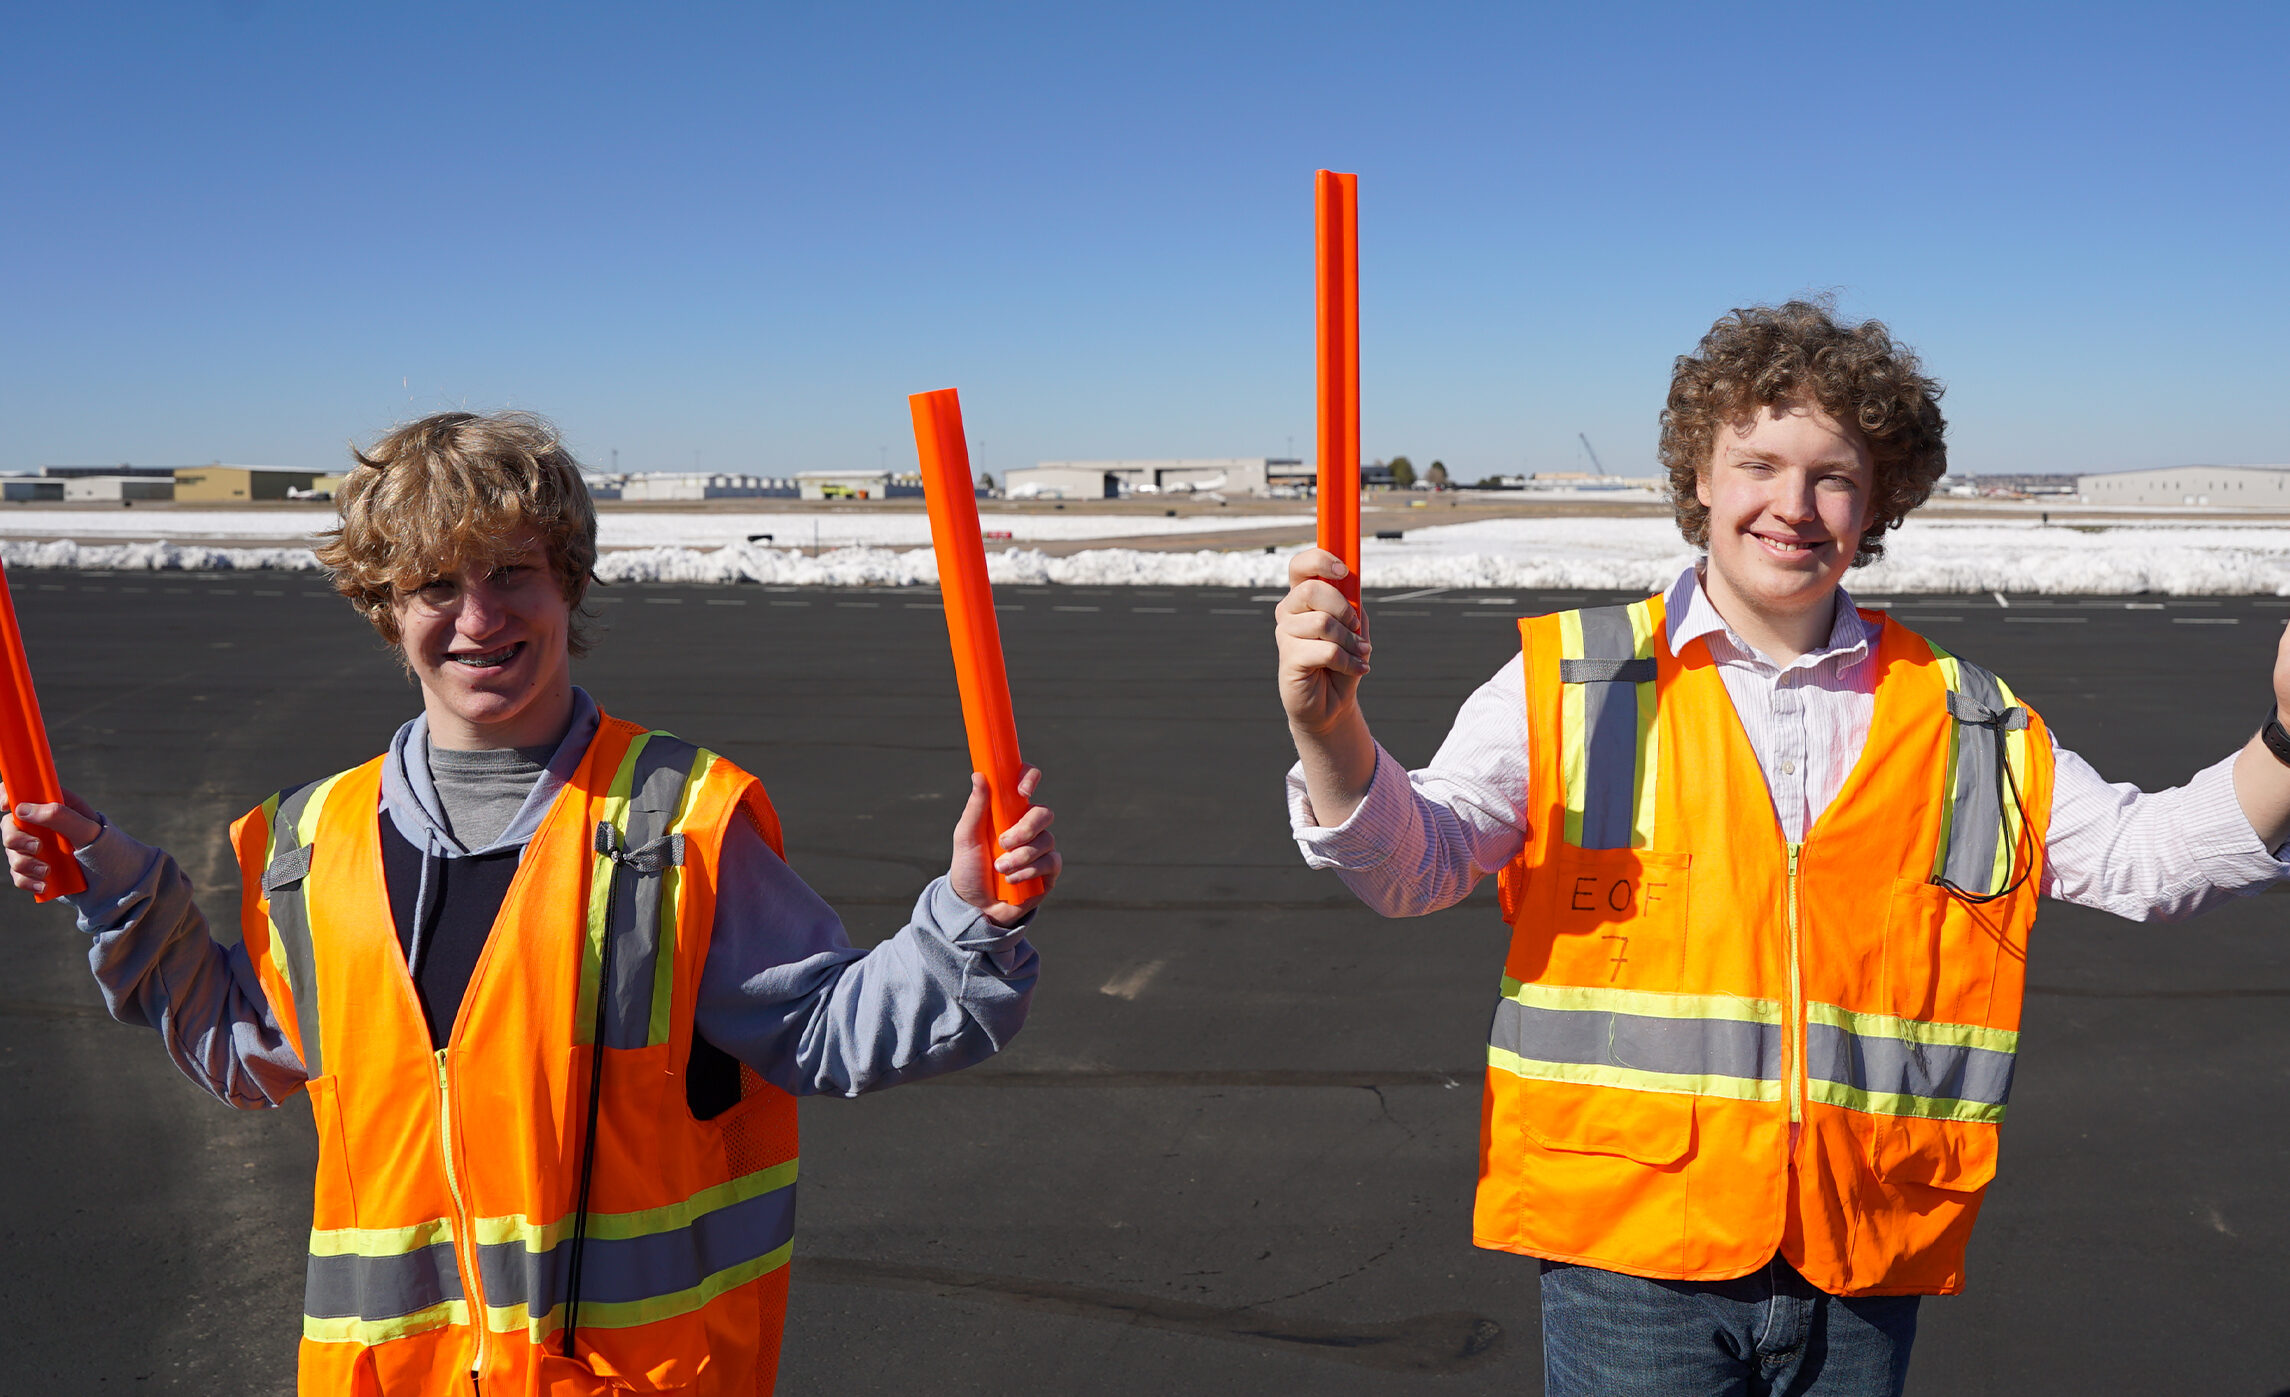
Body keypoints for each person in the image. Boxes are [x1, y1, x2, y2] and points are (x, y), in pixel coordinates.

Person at [1273, 300, 2290, 1396]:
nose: (1792, 507)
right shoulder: (1575, 679)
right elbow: (1410, 865)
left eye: (1834, 474)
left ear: (1879, 497)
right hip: (1630, 1257)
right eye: (1757, 461)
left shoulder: (1966, 717)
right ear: (1700, 476)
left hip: (1862, 1256)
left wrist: (2285, 737)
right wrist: (1330, 734)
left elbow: (2148, 862)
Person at [3, 410, 1060, 1396]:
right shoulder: (308, 844)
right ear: (385, 607)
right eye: (433, 584)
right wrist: (117, 881)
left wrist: (970, 913)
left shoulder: (674, 821)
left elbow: (828, 1030)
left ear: (569, 585)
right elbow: (246, 1048)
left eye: (514, 571)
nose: (478, 616)